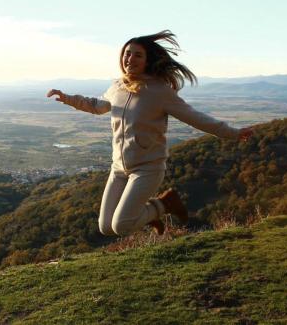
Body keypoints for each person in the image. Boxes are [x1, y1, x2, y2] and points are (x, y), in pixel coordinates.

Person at [47, 30, 253, 236]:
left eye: (138, 55)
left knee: (121, 226)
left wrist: (232, 133)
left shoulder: (159, 91)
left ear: (148, 60)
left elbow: (195, 117)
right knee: (106, 227)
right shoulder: (118, 86)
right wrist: (66, 98)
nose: (130, 58)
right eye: (127, 53)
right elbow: (96, 105)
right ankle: (150, 214)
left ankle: (164, 204)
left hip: (148, 167)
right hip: (118, 166)